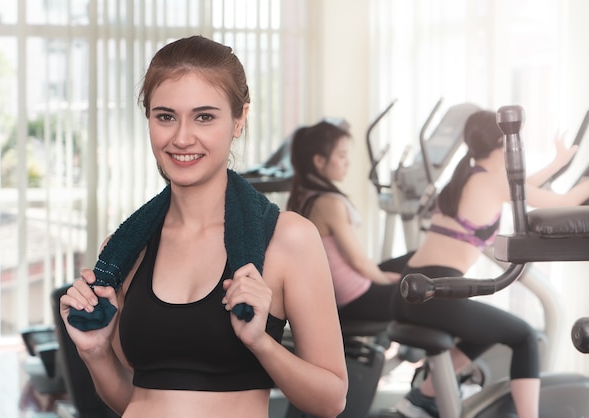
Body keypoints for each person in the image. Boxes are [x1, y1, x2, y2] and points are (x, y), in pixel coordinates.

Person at [59, 35, 348, 418]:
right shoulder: (127, 247)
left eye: (204, 116)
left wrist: (260, 342)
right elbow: (138, 399)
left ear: (239, 119)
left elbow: (331, 400)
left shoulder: (287, 239)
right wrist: (95, 352)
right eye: (165, 117)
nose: (181, 138)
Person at [392, 109, 589, 418]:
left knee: (490, 329)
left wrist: (558, 162)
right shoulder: (492, 183)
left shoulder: (469, 176)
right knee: (525, 337)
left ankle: (423, 397)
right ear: (503, 140)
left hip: (413, 287)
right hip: (435, 291)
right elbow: (561, 201)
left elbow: (522, 186)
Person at [286, 120, 402, 324]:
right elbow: (358, 262)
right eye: (341, 155)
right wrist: (387, 281)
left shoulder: (303, 197)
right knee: (427, 292)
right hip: (355, 299)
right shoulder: (328, 203)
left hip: (343, 296)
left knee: (415, 261)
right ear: (319, 161)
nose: (347, 162)